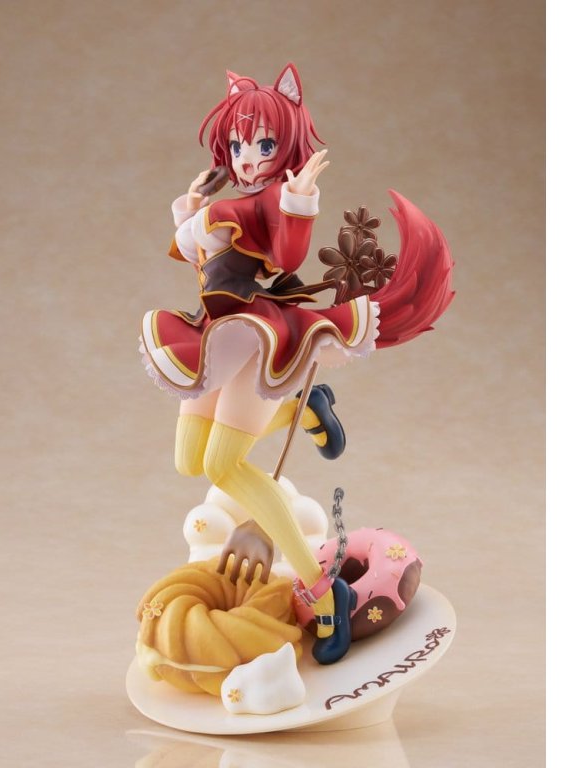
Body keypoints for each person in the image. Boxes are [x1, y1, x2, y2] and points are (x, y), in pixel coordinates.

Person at [140, 64, 454, 664]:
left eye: (263, 145)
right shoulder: (228, 203)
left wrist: (301, 199)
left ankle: (322, 588)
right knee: (189, 462)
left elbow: (287, 254)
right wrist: (191, 207)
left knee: (225, 466)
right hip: (216, 332)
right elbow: (201, 262)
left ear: (287, 144)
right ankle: (304, 408)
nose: (248, 157)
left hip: (255, 340)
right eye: (239, 144)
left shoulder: (270, 200)